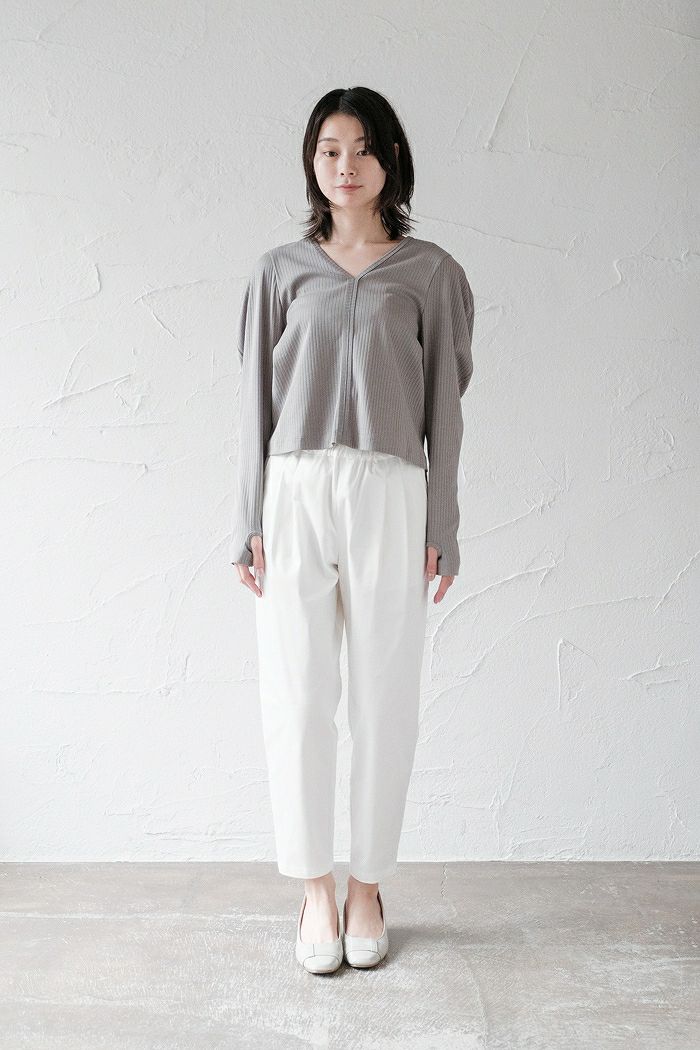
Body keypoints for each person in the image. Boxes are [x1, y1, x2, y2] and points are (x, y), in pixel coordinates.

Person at [231, 87, 475, 973]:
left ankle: (368, 885)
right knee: (297, 696)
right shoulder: (278, 271)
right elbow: (253, 403)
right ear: (312, 161)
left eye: (363, 148)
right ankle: (314, 889)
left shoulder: (431, 273)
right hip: (294, 489)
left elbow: (445, 406)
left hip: (390, 490)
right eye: (330, 149)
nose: (346, 165)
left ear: (390, 160)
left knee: (385, 696)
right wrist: (248, 518)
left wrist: (442, 519)